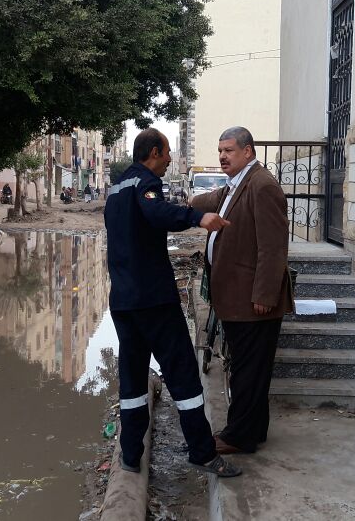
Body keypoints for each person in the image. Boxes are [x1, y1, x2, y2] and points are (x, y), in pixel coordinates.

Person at [105, 127, 241, 477]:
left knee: (133, 378)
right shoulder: (144, 185)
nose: (168, 160)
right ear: (152, 152)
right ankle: (203, 453)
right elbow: (157, 213)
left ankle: (130, 455)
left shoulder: (117, 187)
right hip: (153, 300)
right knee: (182, 374)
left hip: (123, 301)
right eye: (165, 153)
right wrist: (198, 218)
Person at [190, 126, 293, 455]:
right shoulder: (236, 185)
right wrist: (181, 206)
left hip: (252, 300)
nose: (222, 156)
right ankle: (254, 430)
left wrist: (264, 294)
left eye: (229, 150)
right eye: (220, 150)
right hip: (237, 297)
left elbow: (273, 248)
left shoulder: (262, 186)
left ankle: (238, 437)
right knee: (251, 368)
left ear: (248, 151)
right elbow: (210, 200)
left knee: (247, 371)